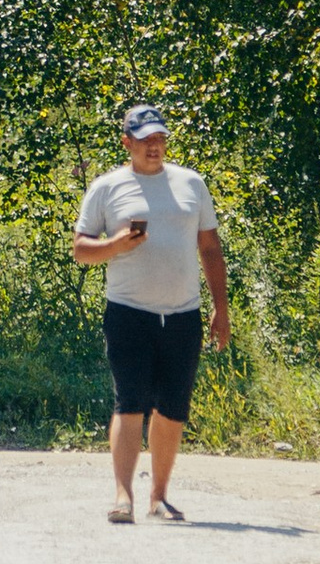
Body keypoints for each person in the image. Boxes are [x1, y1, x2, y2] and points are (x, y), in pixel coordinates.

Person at [71, 102, 230, 524]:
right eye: (145, 141)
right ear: (127, 143)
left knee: (173, 407)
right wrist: (115, 246)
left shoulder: (191, 184)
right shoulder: (107, 187)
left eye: (159, 139)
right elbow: (80, 250)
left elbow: (210, 248)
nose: (154, 147)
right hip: (129, 311)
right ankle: (123, 496)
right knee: (130, 402)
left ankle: (158, 496)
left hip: (183, 313)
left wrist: (221, 308)